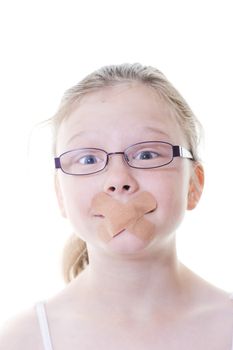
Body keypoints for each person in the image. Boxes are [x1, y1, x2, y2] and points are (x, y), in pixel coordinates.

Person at [1, 63, 233, 350]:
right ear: (60, 194)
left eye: (147, 154)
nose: (118, 180)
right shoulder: (21, 340)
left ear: (193, 185)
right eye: (88, 160)